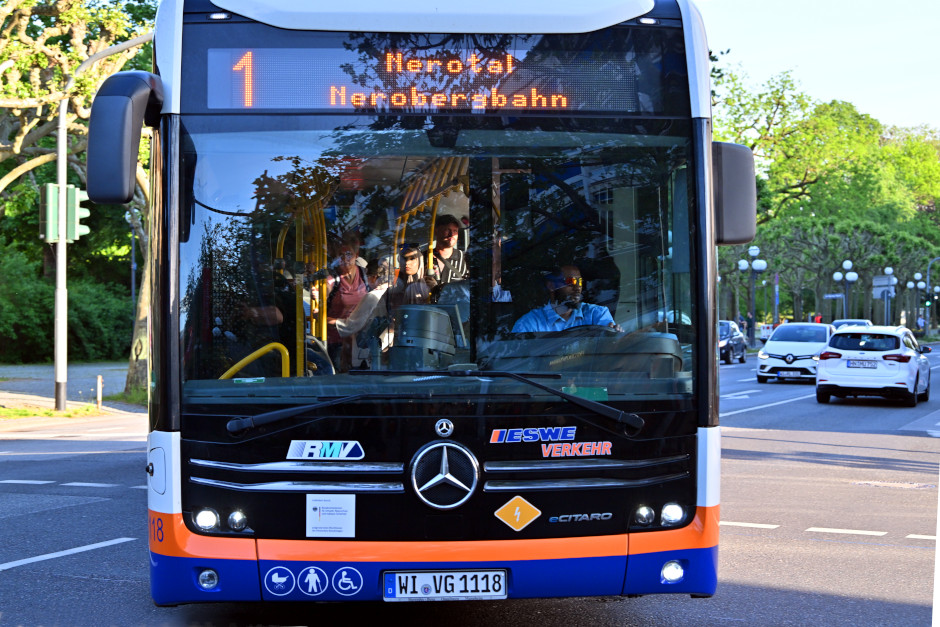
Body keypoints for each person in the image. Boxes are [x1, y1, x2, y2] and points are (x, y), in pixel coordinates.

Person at [511, 265, 620, 333]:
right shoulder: (528, 324)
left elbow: (607, 353)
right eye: (570, 282)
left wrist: (617, 340)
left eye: (580, 282)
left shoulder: (597, 314)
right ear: (551, 286)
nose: (577, 288)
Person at [325, 231, 368, 372]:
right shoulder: (332, 279)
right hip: (336, 340)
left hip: (360, 340)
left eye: (348, 254)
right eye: (340, 255)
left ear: (356, 255)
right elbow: (318, 308)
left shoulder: (365, 275)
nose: (344, 259)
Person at [428, 214, 467, 288]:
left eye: (455, 231)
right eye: (447, 230)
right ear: (436, 231)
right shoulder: (423, 258)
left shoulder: (465, 259)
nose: (451, 234)